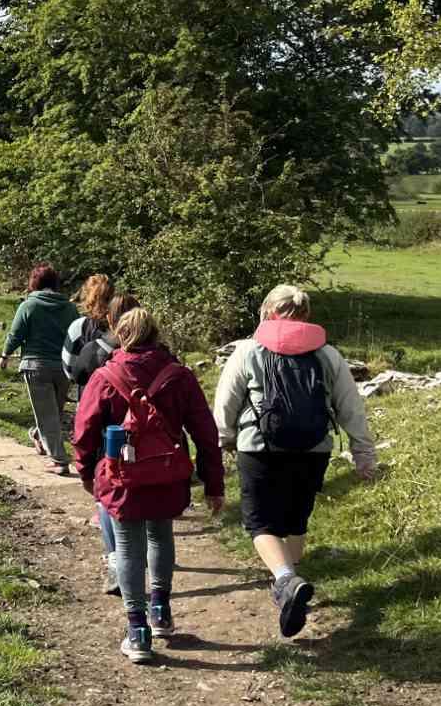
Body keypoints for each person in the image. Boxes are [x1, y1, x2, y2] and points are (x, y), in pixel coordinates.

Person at [212, 283, 379, 639]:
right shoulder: (327, 354)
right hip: (313, 449)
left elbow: (226, 401)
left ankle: (287, 581)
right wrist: (363, 452)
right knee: (295, 520)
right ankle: (291, 588)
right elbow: (350, 406)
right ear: (306, 317)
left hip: (259, 446)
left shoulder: (248, 350)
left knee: (260, 523)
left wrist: (222, 440)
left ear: (268, 312)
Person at [73, 306, 226, 664]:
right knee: (161, 534)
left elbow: (83, 434)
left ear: (121, 336)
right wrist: (213, 483)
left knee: (127, 547)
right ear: (156, 335)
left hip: (121, 476)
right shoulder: (180, 376)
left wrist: (85, 473)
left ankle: (137, 630)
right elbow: (206, 433)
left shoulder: (105, 376)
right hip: (168, 474)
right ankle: (161, 611)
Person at [64, 282, 138, 595]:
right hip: (146, 437)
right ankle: (148, 572)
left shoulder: (95, 348)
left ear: (111, 319)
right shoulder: (161, 353)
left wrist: (81, 461)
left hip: (104, 436)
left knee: (106, 499)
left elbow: (73, 372)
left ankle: (116, 563)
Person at [0, 264, 79, 476]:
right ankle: (38, 435)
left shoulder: (29, 305)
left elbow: (15, 334)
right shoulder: (70, 308)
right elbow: (77, 336)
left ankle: (59, 461)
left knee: (48, 415)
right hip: (63, 367)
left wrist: (5, 355)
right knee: (53, 413)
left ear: (35, 283)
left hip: (36, 366)